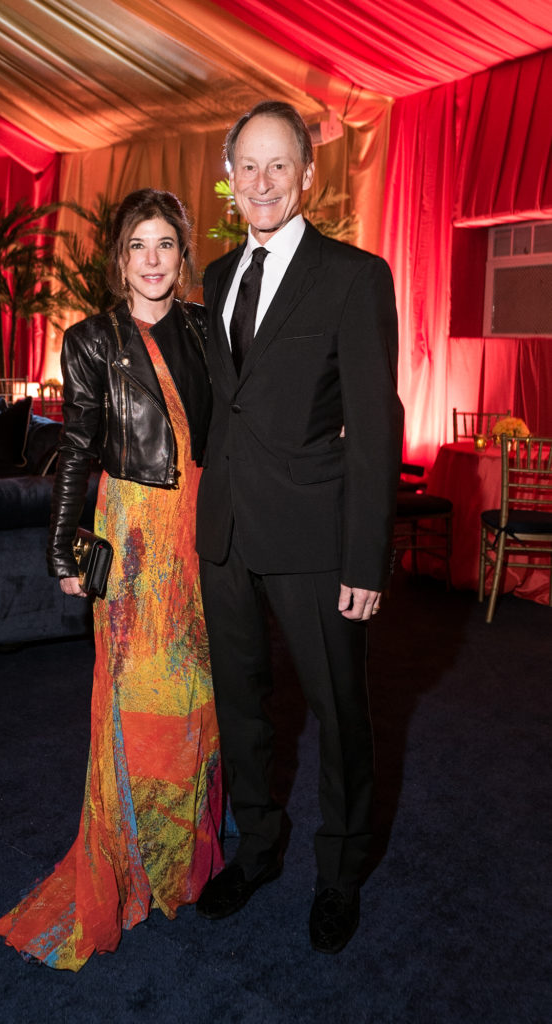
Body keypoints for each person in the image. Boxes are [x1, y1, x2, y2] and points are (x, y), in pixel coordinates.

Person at [0, 188, 223, 970]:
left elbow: (227, 435)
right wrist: (64, 549)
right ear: (118, 258)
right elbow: (79, 450)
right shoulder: (91, 339)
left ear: (180, 255)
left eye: (164, 246)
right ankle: (124, 854)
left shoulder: (202, 326)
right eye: (138, 247)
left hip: (198, 531)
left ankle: (177, 858)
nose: (152, 261)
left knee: (194, 696)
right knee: (132, 699)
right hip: (130, 536)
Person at [194, 101, 404, 954]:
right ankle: (260, 848)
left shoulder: (354, 277)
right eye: (248, 166)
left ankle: (340, 872)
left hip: (319, 541)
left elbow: (376, 428)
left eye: (279, 165)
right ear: (229, 176)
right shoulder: (213, 278)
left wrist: (366, 557)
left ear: (308, 175)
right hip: (228, 535)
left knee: (339, 712)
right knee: (242, 709)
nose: (262, 182)